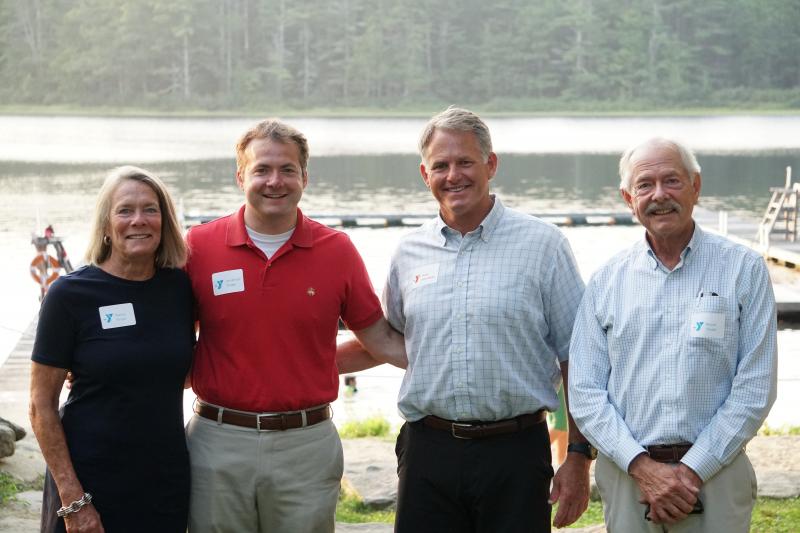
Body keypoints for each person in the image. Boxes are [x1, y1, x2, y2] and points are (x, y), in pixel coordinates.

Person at [184, 118, 405, 533]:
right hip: (217, 439)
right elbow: (166, 344)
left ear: (304, 176)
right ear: (240, 177)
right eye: (261, 170)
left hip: (306, 443)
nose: (275, 181)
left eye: (287, 169)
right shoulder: (199, 246)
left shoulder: (335, 250)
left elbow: (381, 340)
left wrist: (462, 359)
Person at [383, 107, 592, 532]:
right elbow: (390, 337)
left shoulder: (544, 245)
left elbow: (581, 356)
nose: (453, 175)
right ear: (425, 174)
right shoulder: (408, 252)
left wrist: (577, 456)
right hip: (428, 450)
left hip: (515, 452)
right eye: (440, 165)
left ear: (490, 164)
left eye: (465, 162)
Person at [568, 138, 778, 532]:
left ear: (696, 186)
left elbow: (754, 389)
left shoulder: (743, 269)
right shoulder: (606, 281)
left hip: (718, 475)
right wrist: (643, 468)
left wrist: (692, 471)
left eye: (672, 181)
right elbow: (584, 391)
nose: (659, 195)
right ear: (628, 198)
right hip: (629, 479)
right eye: (645, 185)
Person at [30, 166, 194, 532]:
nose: (139, 220)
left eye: (150, 210)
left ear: (164, 221)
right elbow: (40, 406)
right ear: (106, 223)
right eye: (125, 210)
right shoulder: (69, 296)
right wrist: (73, 498)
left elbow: (185, 366)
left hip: (164, 479)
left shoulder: (179, 289)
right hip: (89, 481)